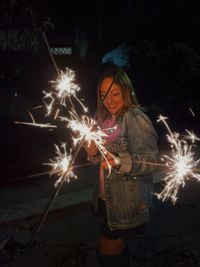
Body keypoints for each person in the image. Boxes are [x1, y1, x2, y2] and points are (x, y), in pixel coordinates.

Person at [86, 66, 159, 267]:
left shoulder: (135, 119)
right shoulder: (103, 118)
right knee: (111, 249)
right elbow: (100, 160)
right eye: (103, 95)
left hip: (127, 203)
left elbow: (150, 161)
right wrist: (92, 152)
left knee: (108, 253)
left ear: (126, 91)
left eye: (115, 93)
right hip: (108, 197)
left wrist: (119, 160)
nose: (109, 100)